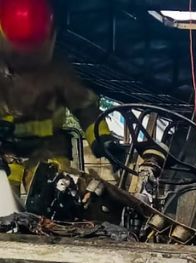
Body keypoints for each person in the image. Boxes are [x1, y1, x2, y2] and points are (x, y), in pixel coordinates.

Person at [0, 0, 125, 194]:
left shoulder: (58, 70)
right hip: (6, 161)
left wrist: (104, 140)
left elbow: (84, 107)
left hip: (49, 159)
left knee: (60, 211)